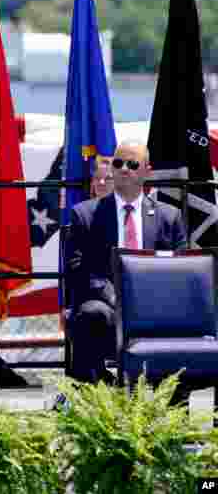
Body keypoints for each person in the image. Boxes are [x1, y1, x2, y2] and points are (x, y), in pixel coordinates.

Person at [64, 140, 187, 385]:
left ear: (147, 171)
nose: (123, 169)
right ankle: (97, 394)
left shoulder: (169, 217)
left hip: (156, 309)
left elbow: (180, 270)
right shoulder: (86, 215)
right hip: (108, 308)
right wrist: (116, 297)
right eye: (118, 163)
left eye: (132, 164)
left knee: (185, 321)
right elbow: (78, 269)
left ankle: (173, 412)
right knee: (90, 314)